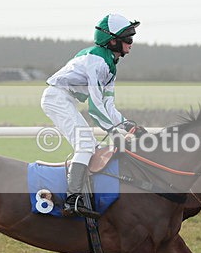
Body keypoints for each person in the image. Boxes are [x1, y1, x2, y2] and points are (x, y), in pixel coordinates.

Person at [41, 13, 141, 218]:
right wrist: (115, 131)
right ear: (113, 40)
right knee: (86, 144)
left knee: (94, 147)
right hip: (56, 98)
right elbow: (95, 108)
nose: (131, 44)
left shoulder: (110, 65)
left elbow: (108, 105)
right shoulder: (97, 61)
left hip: (65, 99)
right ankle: (72, 198)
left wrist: (126, 125)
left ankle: (84, 195)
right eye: (128, 39)